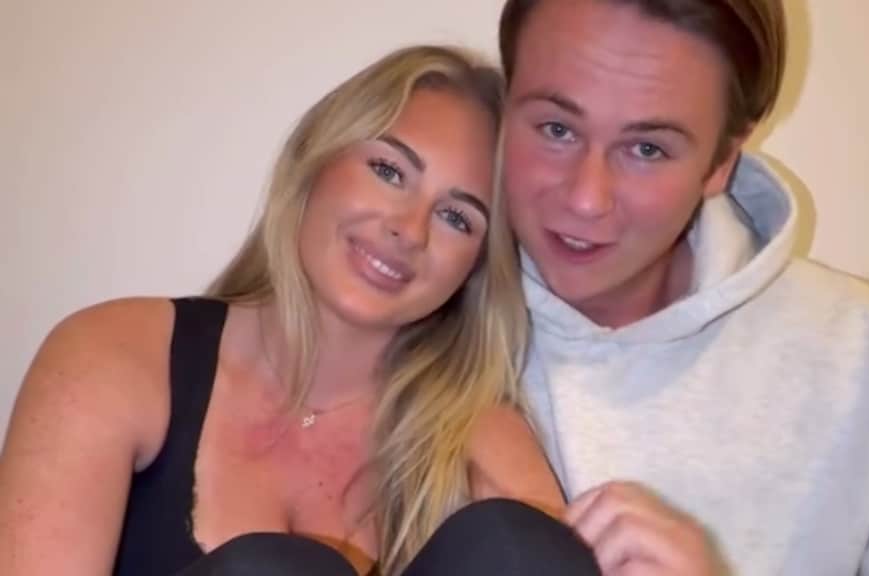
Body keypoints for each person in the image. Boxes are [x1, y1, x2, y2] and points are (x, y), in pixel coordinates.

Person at [0, 45, 599, 576]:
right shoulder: (116, 356)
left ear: (476, 269)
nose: (409, 230)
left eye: (456, 217)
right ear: (315, 159)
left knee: (515, 545)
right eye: (388, 170)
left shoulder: (477, 431)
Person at [498, 0, 869, 574]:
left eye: (648, 149)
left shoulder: (865, 368)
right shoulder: (426, 320)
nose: (586, 198)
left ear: (722, 161)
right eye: (556, 129)